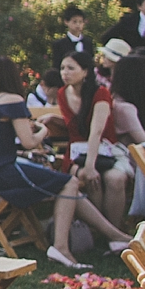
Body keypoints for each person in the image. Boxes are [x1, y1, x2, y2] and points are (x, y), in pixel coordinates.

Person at [0, 55, 129, 271]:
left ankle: (114, 236)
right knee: (69, 183)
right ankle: (61, 247)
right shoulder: (12, 100)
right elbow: (29, 143)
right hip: (2, 173)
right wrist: (43, 131)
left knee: (69, 187)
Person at [58, 51, 128, 227]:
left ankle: (114, 228)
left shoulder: (101, 93)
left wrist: (90, 165)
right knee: (86, 177)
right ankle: (101, 229)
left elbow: (96, 131)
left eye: (71, 68)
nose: (65, 72)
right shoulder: (62, 93)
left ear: (85, 72)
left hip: (103, 150)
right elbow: (73, 125)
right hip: (76, 153)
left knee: (115, 179)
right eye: (62, 68)